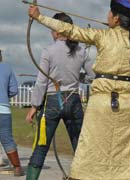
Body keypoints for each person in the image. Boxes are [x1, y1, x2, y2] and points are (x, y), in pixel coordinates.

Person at [28, 0, 130, 179]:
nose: (107, 16)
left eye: (110, 13)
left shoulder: (102, 35)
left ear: (116, 18)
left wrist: (39, 17)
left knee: (91, 150)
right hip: (128, 104)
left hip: (101, 103)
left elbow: (70, 30)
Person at [25, 13, 95, 180]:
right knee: (80, 148)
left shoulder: (48, 51)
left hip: (51, 102)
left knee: (41, 147)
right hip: (74, 101)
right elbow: (92, 76)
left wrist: (34, 107)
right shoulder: (81, 51)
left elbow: (41, 82)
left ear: (57, 31)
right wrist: (78, 77)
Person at [0, 49, 23, 176]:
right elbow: (14, 90)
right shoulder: (7, 68)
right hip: (3, 109)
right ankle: (17, 167)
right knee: (7, 139)